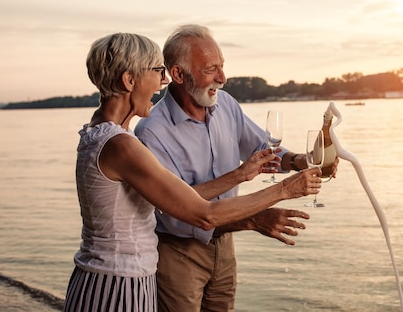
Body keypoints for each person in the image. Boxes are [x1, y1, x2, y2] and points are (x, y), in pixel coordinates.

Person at [63, 32, 322, 312]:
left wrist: (243, 174)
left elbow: (179, 195)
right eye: (156, 71)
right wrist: (285, 190)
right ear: (129, 80)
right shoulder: (122, 145)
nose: (162, 81)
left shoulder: (101, 135)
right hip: (117, 286)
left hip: (109, 277)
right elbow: (203, 214)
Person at [134, 24, 336, 312]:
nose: (223, 78)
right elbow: (179, 216)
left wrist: (304, 160)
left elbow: (263, 152)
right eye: (210, 69)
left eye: (222, 66)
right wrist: (253, 220)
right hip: (177, 254)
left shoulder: (225, 104)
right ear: (178, 74)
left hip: (225, 247)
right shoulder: (152, 132)